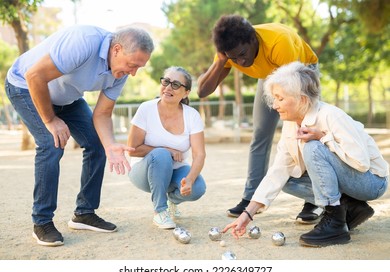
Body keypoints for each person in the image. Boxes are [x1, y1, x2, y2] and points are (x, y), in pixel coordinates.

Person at [5, 25, 154, 246]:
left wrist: (110, 144)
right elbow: (34, 75)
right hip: (25, 86)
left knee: (98, 144)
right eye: (133, 65)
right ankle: (42, 222)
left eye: (139, 68)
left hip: (67, 98)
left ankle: (84, 213)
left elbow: (102, 113)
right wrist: (50, 120)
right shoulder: (84, 42)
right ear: (117, 49)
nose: (133, 73)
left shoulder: (120, 72)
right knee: (51, 143)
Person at [223, 61, 389, 247]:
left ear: (302, 99)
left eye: (280, 98)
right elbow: (278, 171)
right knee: (288, 179)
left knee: (312, 147)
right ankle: (351, 208)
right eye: (274, 98)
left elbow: (361, 163)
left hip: (371, 182)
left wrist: (322, 137)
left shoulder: (331, 115)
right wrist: (247, 214)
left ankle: (335, 223)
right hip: (351, 180)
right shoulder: (290, 124)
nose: (275, 105)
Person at [197, 14, 322, 223]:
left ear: (253, 39)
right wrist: (221, 61)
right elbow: (202, 91)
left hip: (300, 73)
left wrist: (294, 120)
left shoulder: (278, 42)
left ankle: (314, 199)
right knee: (260, 133)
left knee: (304, 132)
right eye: (234, 58)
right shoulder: (230, 51)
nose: (241, 62)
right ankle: (250, 197)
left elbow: (292, 88)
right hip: (270, 74)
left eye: (243, 54)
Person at [127, 66, 207, 229]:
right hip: (142, 170)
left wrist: (190, 180)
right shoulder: (146, 108)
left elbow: (199, 155)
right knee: (162, 154)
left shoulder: (192, 115)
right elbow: (132, 148)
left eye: (176, 84)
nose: (168, 87)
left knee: (198, 188)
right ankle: (160, 212)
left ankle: (172, 200)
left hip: (175, 170)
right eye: (166, 81)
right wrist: (167, 150)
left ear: (186, 92)